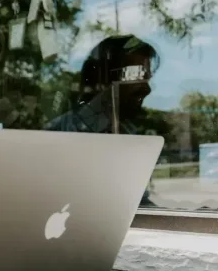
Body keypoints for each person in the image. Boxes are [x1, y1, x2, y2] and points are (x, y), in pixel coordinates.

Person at [45, 35, 160, 205]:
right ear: (105, 80)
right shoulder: (57, 136)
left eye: (147, 77)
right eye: (137, 75)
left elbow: (136, 206)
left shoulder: (127, 133)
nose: (147, 88)